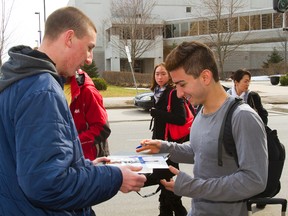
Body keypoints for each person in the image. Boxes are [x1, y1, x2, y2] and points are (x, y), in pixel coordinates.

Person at [0, 6, 146, 216]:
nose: (89, 58)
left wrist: (84, 167)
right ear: (69, 38)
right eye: (88, 47)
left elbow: (32, 161)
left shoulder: (18, 81)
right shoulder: (43, 90)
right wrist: (116, 177)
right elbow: (46, 184)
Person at [136, 41, 268, 216]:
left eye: (182, 84)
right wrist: (164, 147)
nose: (179, 93)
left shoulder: (243, 117)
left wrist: (192, 187)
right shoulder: (201, 111)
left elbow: (254, 180)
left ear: (205, 77)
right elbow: (201, 150)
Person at [148, 63, 187, 216]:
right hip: (158, 144)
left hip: (170, 145)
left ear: (169, 75)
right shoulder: (157, 92)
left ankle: (177, 211)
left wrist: (157, 112)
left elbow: (180, 118)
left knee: (166, 180)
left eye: (163, 74)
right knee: (164, 180)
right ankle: (166, 212)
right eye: (157, 74)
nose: (159, 77)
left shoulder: (173, 93)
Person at [65, 69, 111, 161]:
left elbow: (102, 128)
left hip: (88, 159)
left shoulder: (87, 90)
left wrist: (73, 144)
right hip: (64, 158)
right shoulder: (49, 86)